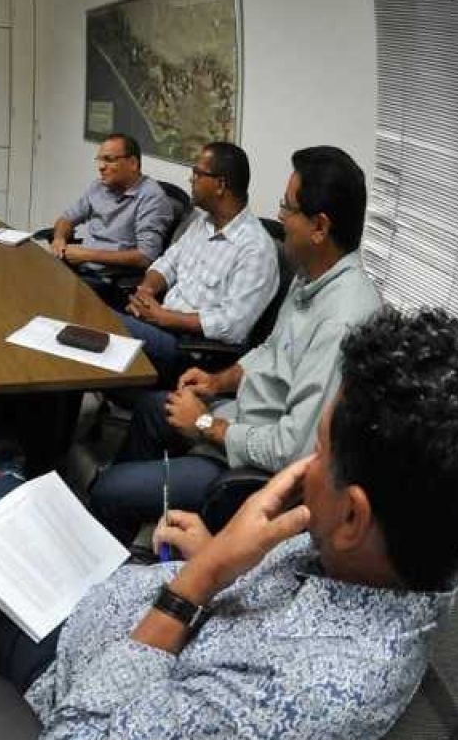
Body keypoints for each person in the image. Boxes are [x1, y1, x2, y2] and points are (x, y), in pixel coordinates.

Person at [0, 306, 458, 740]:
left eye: (319, 450)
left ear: (354, 516)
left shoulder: (295, 696)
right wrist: (217, 550)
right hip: (139, 607)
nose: (305, 467)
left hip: (69, 678)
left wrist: (197, 580)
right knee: (21, 524)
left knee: (3, 492)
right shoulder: (377, 553)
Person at [90, 146, 382, 544]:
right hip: (238, 415)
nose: (280, 216)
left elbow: (294, 450)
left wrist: (207, 426)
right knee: (150, 410)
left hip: (250, 471)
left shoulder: (341, 320)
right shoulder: (310, 276)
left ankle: (125, 523)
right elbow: (269, 350)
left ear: (319, 227)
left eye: (288, 207)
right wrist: (217, 382)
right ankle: (133, 534)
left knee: (108, 490)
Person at [119, 141, 279, 386]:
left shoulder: (256, 249)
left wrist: (164, 317)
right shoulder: (202, 223)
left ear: (220, 185)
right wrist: (146, 292)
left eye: (197, 173)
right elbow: (167, 263)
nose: (190, 179)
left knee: (103, 325)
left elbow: (233, 325)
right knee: (94, 331)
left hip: (190, 352)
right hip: (160, 326)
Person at [48, 133, 176, 307]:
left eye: (108, 160)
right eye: (100, 160)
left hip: (107, 280)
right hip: (79, 267)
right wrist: (59, 239)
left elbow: (146, 256)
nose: (101, 167)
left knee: (48, 295)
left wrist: (86, 254)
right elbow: (67, 218)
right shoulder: (100, 186)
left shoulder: (151, 198)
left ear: (132, 163)